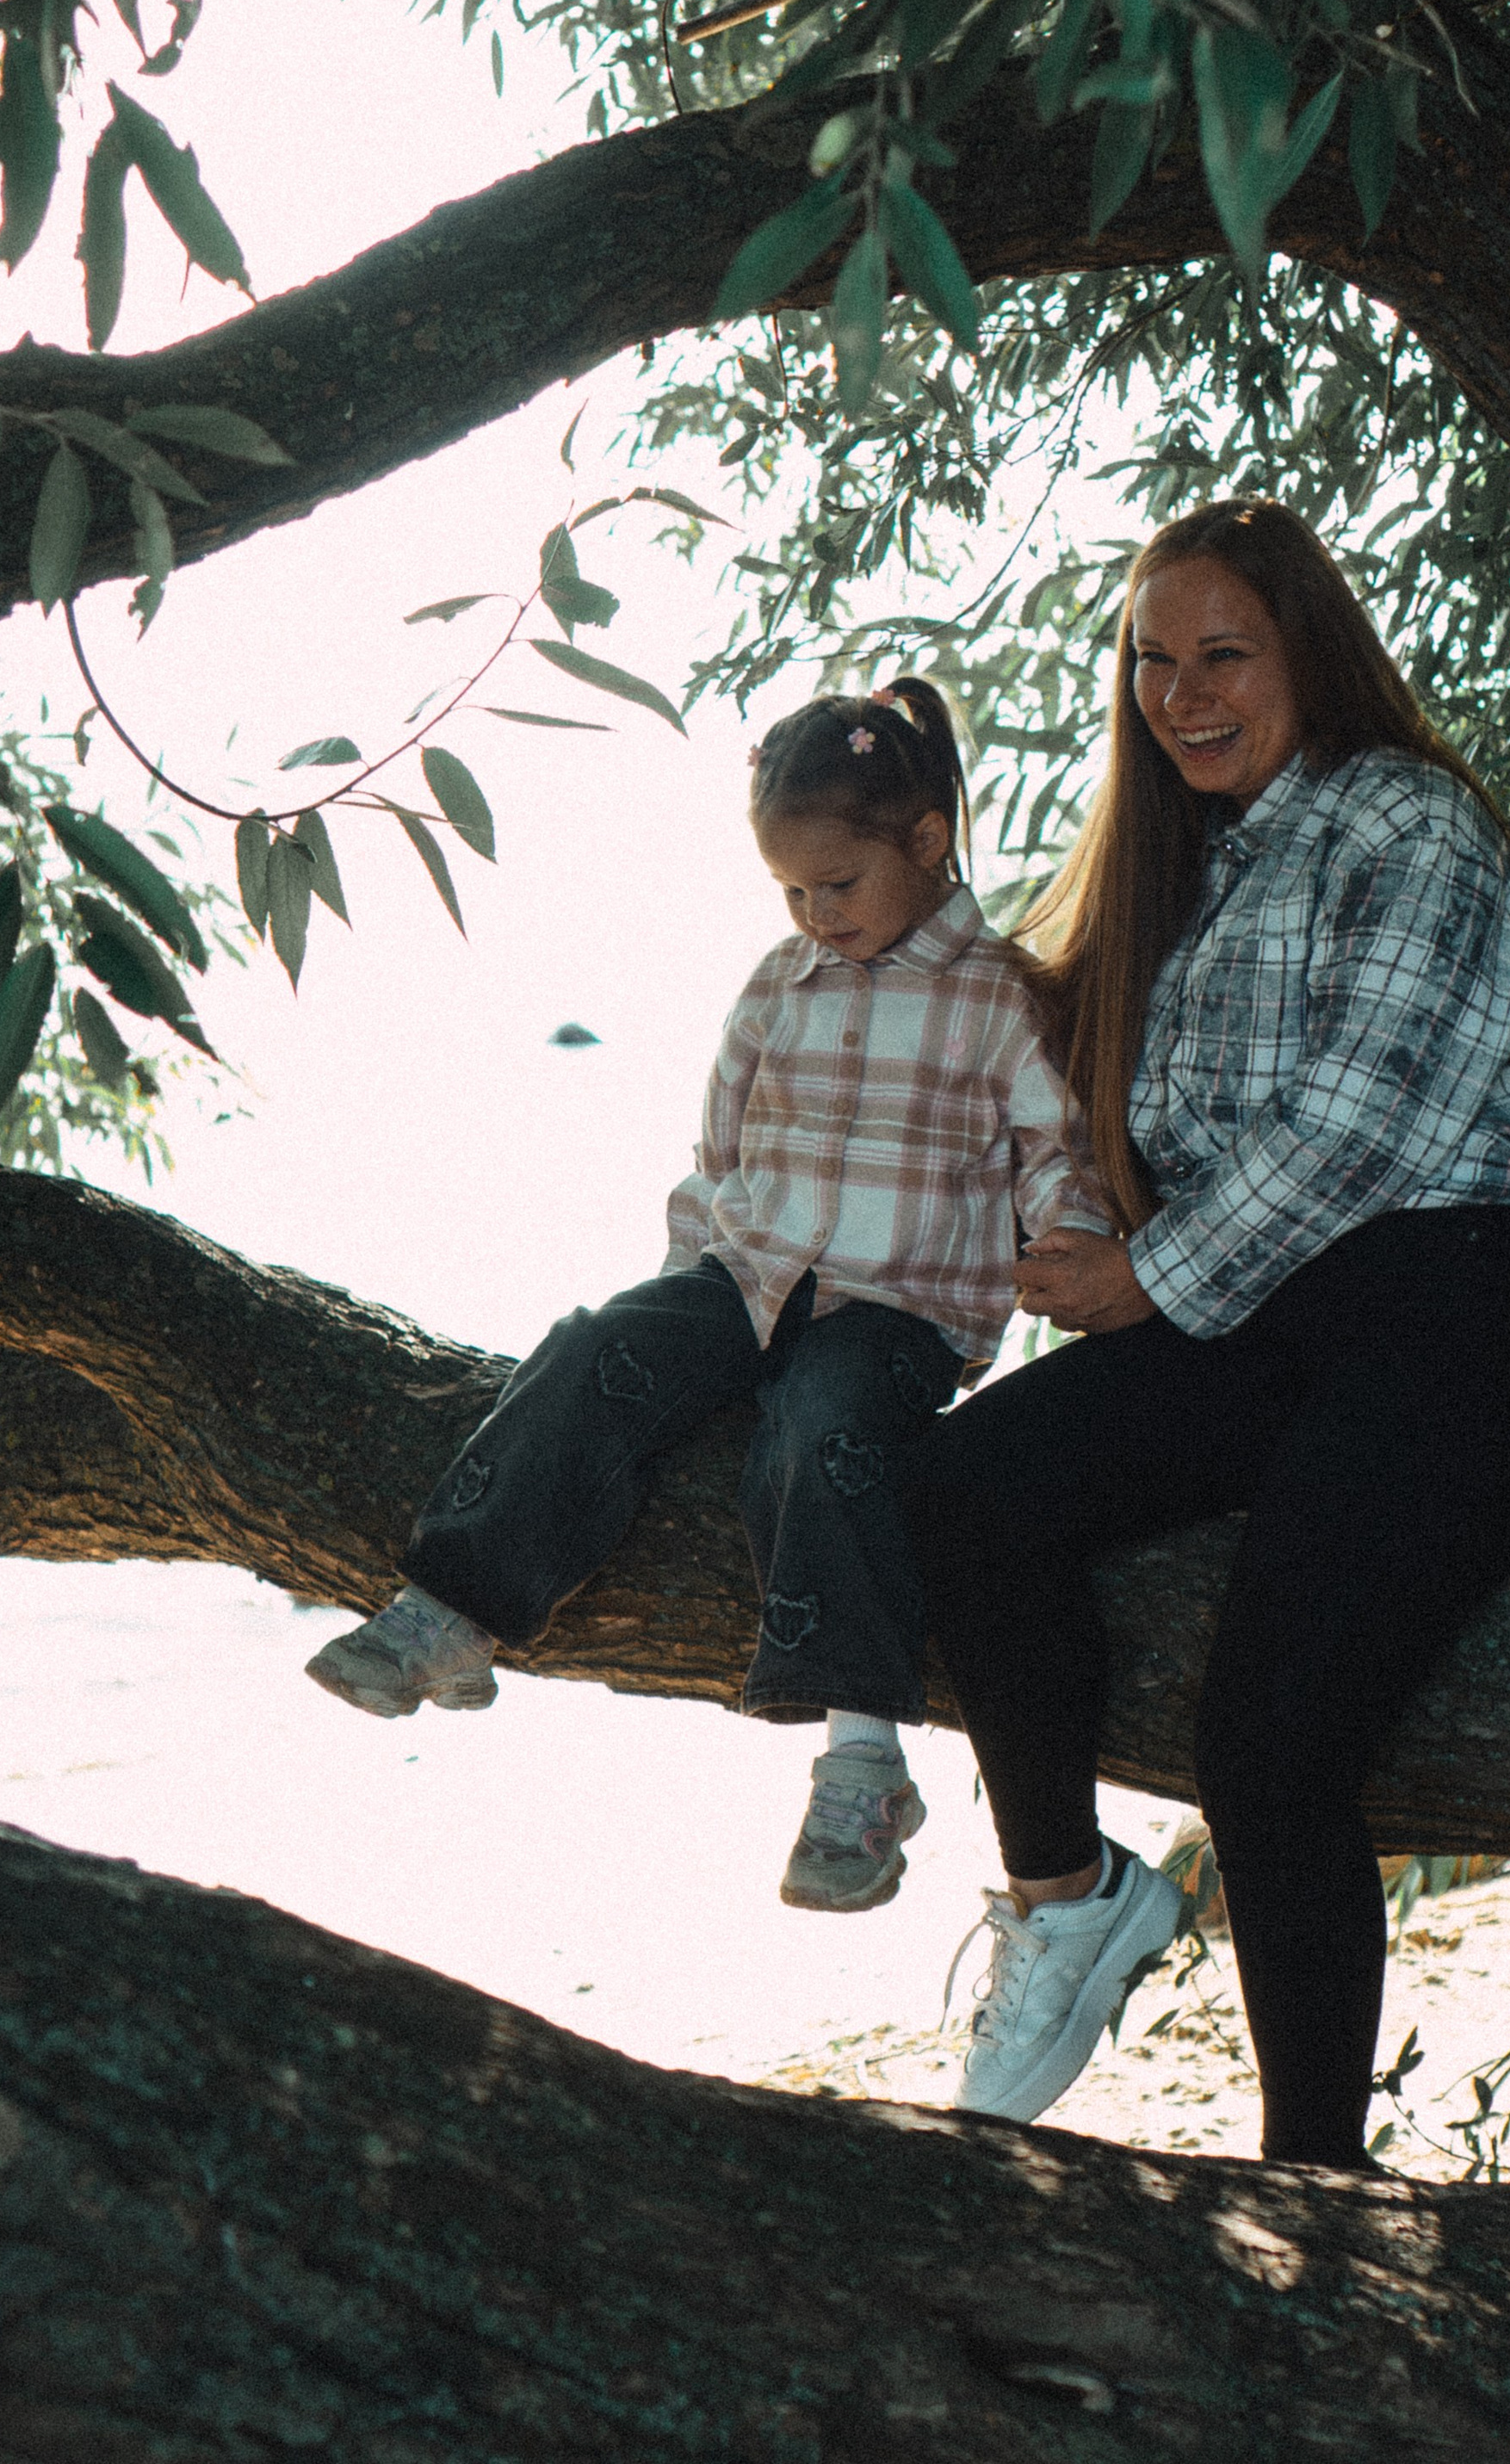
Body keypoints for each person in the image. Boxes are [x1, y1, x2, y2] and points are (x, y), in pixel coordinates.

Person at [900, 501, 1510, 2160]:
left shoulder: (1403, 824)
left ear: (1308, 651)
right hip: (1275, 1316)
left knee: (1269, 1738)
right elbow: (1040, 1063)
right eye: (1151, 659)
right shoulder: (1188, 870)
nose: (1181, 692)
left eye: (1224, 654)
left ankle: (1316, 2188)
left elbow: (1363, 1123)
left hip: (1464, 1308)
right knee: (965, 1487)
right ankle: (1069, 1899)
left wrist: (1146, 1284)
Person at [307, 677, 1109, 1915]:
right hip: (745, 1276)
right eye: (792, 890)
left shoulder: (1000, 996)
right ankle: (456, 1609)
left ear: (927, 841)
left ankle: (863, 1765)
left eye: (837, 885)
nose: (814, 912)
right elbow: (722, 1151)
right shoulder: (776, 984)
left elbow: (1059, 1155)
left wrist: (1071, 1245)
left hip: (896, 1310)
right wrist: (693, 1285)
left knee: (827, 1436)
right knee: (595, 1350)